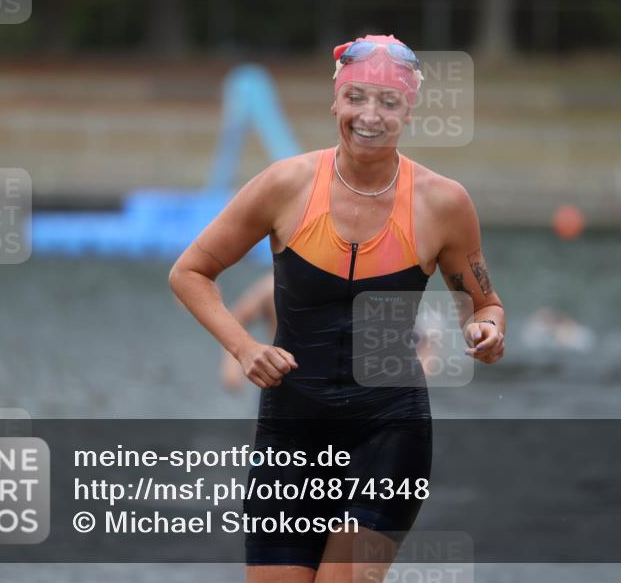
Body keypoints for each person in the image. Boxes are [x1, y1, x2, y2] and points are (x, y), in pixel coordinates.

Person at [169, 34, 505, 583]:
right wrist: (245, 346)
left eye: (388, 102)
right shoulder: (286, 185)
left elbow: (484, 305)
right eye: (356, 98)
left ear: (408, 111)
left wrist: (487, 331)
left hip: (389, 430)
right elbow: (190, 272)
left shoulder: (443, 202)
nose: (369, 115)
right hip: (290, 431)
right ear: (335, 102)